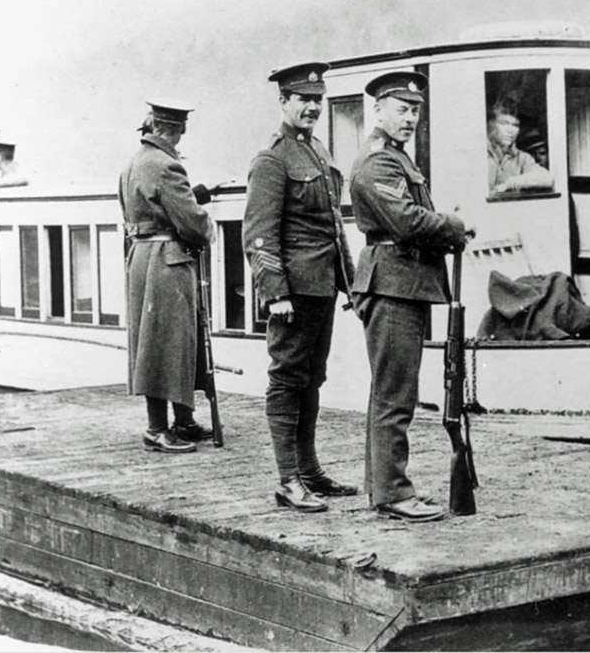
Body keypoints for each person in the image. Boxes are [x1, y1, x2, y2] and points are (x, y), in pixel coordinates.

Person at [349, 70, 472, 523]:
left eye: (415, 110)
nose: (410, 118)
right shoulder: (378, 162)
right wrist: (453, 226)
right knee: (395, 394)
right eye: (401, 109)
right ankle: (393, 493)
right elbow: (405, 221)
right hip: (392, 283)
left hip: (405, 282)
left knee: (393, 390)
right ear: (378, 109)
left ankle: (385, 487)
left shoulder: (396, 159)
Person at [243, 61, 358, 513]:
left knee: (313, 378)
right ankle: (288, 480)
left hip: (322, 286)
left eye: (318, 100)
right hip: (292, 291)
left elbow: (333, 225)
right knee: (287, 379)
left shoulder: (319, 153)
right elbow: (258, 235)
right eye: (303, 99)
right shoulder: (272, 159)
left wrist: (348, 281)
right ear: (284, 102)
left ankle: (309, 472)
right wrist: (276, 293)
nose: (312, 107)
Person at [119, 100, 217, 454]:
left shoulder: (132, 163)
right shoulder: (167, 165)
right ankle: (158, 429)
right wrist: (209, 226)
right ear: (177, 130)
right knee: (171, 341)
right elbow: (191, 222)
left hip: (142, 257)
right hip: (168, 261)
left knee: (159, 340)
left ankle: (182, 422)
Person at [487, 105, 553, 196]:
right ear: (491, 124)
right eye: (504, 123)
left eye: (515, 125)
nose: (510, 130)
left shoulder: (522, 157)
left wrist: (509, 184)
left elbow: (546, 178)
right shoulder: (478, 152)